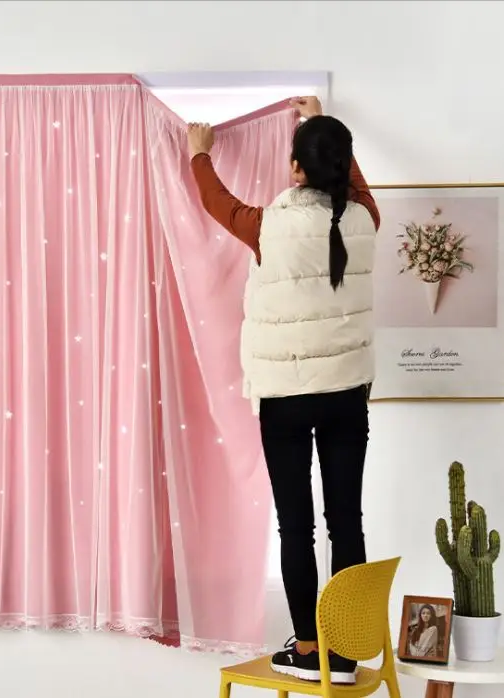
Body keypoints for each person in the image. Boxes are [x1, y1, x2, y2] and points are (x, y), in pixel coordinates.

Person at [187, 96, 379, 685]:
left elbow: (218, 203)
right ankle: (343, 655)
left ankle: (307, 648)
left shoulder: (269, 226)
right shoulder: (365, 219)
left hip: (285, 400)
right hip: (346, 395)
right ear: (343, 163)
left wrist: (199, 155)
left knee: (296, 526)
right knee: (345, 521)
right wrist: (316, 121)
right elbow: (356, 186)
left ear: (295, 169)